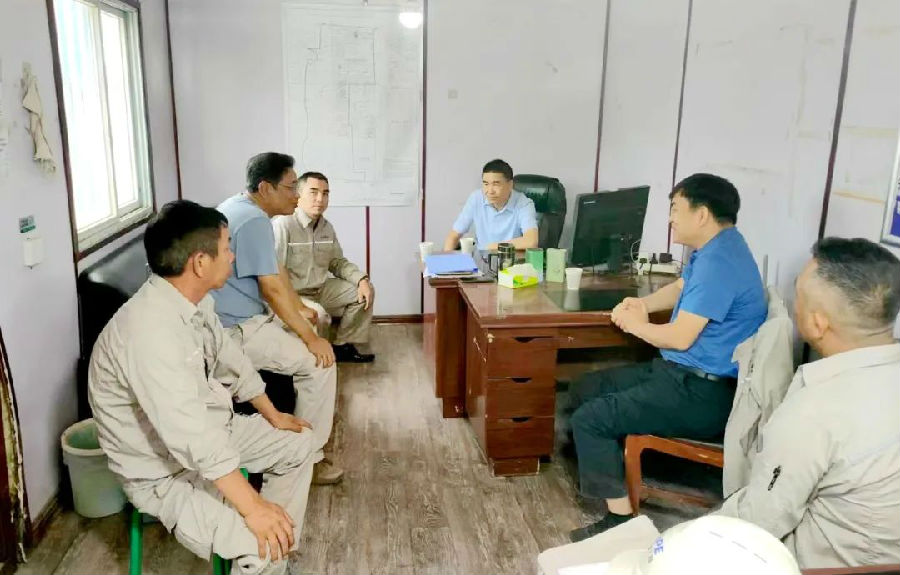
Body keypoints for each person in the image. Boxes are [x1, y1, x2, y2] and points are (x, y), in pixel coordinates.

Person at [89, 200, 315, 575]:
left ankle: (277, 546)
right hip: (163, 472)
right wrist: (253, 507)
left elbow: (231, 358)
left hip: (211, 432)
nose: (233, 256)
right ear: (199, 262)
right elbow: (190, 435)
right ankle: (268, 552)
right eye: (227, 248)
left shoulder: (194, 302)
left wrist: (273, 413)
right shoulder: (149, 333)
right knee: (262, 547)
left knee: (299, 443)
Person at [568, 173, 767, 542]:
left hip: (701, 393)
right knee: (586, 388)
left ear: (702, 214)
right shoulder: (719, 247)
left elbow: (679, 337)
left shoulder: (720, 263)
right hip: (680, 374)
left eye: (676, 209)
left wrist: (634, 324)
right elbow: (680, 286)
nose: (671, 218)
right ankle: (614, 465)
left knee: (590, 419)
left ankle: (620, 523)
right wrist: (642, 304)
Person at [717, 237, 900, 569]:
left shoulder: (814, 411)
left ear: (818, 323)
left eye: (798, 295)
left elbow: (757, 523)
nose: (794, 305)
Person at [213, 152, 342, 485]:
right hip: (236, 329)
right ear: (265, 188)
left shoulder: (239, 207)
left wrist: (298, 308)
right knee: (320, 364)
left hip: (238, 317)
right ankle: (310, 458)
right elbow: (270, 288)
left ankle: (300, 441)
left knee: (310, 323)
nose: (297, 196)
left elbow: (275, 269)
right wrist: (312, 339)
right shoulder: (254, 220)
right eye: (290, 187)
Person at [272, 171, 375, 363]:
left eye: (325, 193)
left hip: (320, 289)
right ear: (298, 195)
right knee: (319, 316)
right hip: (294, 294)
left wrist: (361, 279)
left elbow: (337, 262)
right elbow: (274, 273)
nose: (320, 199)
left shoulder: (326, 227)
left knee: (363, 292)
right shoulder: (283, 224)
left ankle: (342, 346)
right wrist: (297, 304)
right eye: (313, 192)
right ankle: (316, 357)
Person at [443, 158, 539, 252]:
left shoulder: (524, 204)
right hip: (481, 259)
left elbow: (531, 241)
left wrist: (493, 246)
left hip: (510, 259)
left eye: (496, 184)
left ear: (510, 184)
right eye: (486, 184)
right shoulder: (476, 198)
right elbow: (453, 236)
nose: (490, 191)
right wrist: (446, 259)